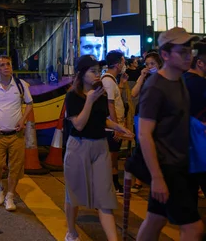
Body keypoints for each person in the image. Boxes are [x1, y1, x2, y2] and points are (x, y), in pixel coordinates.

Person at [137, 27, 203, 241]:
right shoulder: (155, 87)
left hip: (183, 164)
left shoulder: (180, 81)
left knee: (155, 219)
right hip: (168, 169)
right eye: (182, 51)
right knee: (194, 229)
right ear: (165, 54)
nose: (188, 56)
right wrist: (157, 177)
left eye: (190, 51)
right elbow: (144, 134)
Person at [64, 55, 133, 241]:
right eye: (93, 71)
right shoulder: (72, 96)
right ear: (81, 73)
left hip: (100, 146)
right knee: (74, 194)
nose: (97, 75)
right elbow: (78, 124)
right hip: (78, 147)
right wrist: (89, 100)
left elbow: (101, 119)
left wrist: (117, 126)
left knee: (105, 198)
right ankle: (71, 232)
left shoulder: (100, 92)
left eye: (98, 71)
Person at [0, 55, 33, 212]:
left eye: (9, 64)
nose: (6, 67)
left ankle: (10, 196)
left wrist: (23, 120)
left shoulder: (20, 85)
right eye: (2, 65)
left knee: (15, 167)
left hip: (16, 135)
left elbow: (29, 104)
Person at [129, 52, 162, 193]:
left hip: (158, 116)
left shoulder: (163, 78)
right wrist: (142, 76)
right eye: (147, 64)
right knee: (141, 145)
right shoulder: (144, 77)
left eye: (152, 64)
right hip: (142, 114)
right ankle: (138, 180)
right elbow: (134, 93)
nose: (149, 67)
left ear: (159, 64)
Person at [101, 50, 129, 195]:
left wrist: (122, 83)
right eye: (123, 62)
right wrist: (117, 128)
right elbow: (110, 105)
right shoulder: (108, 80)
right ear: (118, 64)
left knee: (114, 156)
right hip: (111, 128)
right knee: (112, 158)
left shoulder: (111, 80)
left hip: (113, 126)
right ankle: (113, 186)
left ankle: (113, 185)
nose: (124, 65)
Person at [183, 42, 206, 199]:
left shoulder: (179, 81)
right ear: (200, 62)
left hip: (182, 150)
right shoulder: (201, 85)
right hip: (201, 147)